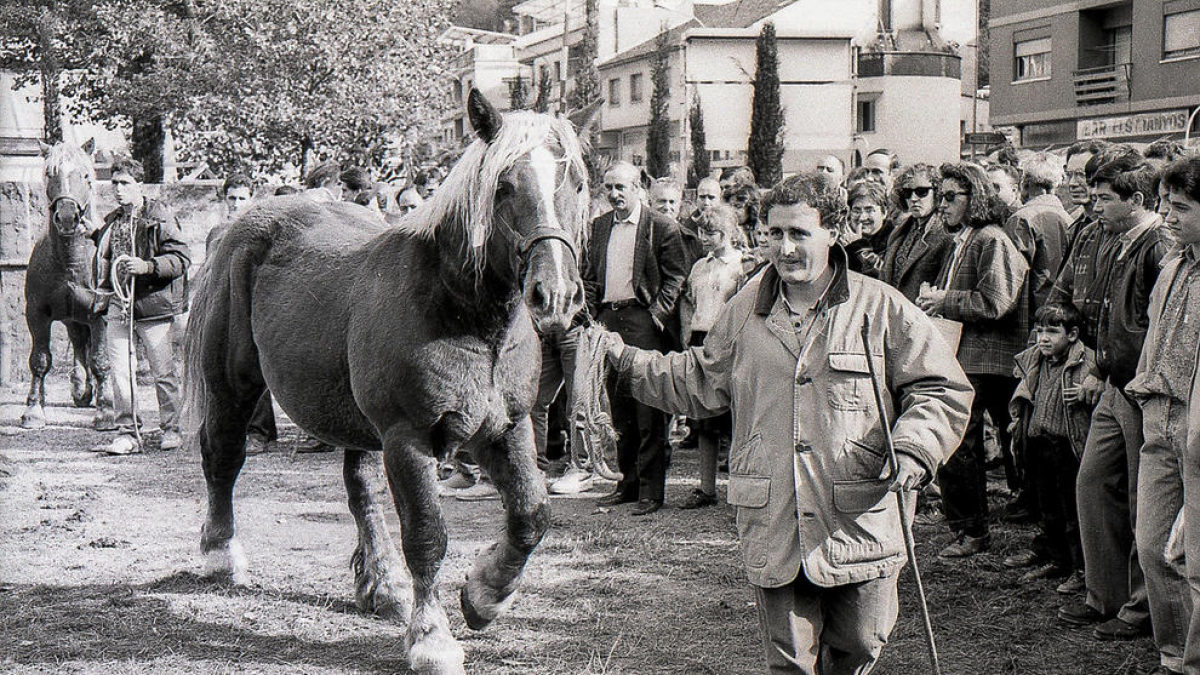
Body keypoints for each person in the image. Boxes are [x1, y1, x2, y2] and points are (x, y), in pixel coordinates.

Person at [601, 172, 972, 673]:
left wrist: (914, 448)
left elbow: (941, 388)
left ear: (834, 230)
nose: (784, 247)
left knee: (862, 644)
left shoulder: (879, 307)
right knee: (790, 661)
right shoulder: (746, 309)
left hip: (859, 513)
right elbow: (698, 379)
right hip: (773, 511)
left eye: (799, 233)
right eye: (774, 234)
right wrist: (620, 359)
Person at [1054, 151, 1170, 644]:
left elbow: (1157, 325)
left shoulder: (1156, 245)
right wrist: (1100, 365)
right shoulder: (1120, 240)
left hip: (1138, 391)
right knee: (1093, 482)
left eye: (1105, 199)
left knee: (1147, 502)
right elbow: (1105, 314)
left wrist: (1131, 375)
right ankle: (1105, 595)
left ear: (1136, 200)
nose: (1095, 206)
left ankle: (1141, 607)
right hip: (1112, 384)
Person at [917, 161, 1029, 558]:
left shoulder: (991, 239)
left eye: (950, 197)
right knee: (959, 442)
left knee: (961, 442)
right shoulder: (964, 239)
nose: (941, 205)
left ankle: (973, 532)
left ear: (975, 197)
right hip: (965, 353)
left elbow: (996, 302)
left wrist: (943, 300)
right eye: (941, 196)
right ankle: (965, 527)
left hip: (985, 358)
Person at [1124, 157, 1200, 675]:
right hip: (1160, 419)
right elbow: (1153, 334)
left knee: (1198, 563)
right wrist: (1146, 387)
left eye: (1180, 207)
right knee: (1153, 549)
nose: (1166, 217)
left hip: (1198, 432)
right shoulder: (1174, 263)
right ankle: (1174, 656)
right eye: (1164, 205)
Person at [583, 161, 687, 516]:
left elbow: (676, 277)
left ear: (638, 188)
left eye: (621, 187)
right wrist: (593, 315)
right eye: (608, 187)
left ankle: (650, 491)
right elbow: (589, 275)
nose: (614, 194)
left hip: (644, 321)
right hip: (608, 320)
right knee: (619, 409)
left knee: (648, 409)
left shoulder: (661, 227)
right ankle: (626, 485)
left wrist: (657, 315)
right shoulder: (598, 228)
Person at [91, 157, 191, 455]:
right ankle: (127, 431)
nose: (119, 190)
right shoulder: (112, 221)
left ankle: (171, 428)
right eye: (115, 184)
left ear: (140, 185)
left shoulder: (159, 215)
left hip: (152, 307)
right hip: (118, 306)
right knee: (121, 371)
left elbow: (181, 258)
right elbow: (109, 253)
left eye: (125, 184)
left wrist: (148, 266)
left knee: (162, 371)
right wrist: (95, 236)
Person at [1006, 302, 1094, 585]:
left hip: (1068, 448)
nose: (1043, 338)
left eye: (1052, 332)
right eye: (1039, 330)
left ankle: (1081, 569)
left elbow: (1100, 403)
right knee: (1048, 508)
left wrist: (1086, 393)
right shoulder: (1035, 360)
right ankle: (1058, 560)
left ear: (1072, 335)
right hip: (1039, 444)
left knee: (1073, 512)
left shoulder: (1087, 364)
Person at [676, 203, 746, 509]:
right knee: (704, 416)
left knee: (734, 418)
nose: (706, 237)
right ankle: (706, 488)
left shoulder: (740, 265)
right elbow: (690, 303)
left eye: (713, 232)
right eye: (703, 231)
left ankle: (741, 489)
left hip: (730, 342)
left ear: (729, 232)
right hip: (701, 339)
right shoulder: (699, 266)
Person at [1006, 153, 1071, 317]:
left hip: (1028, 315)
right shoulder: (1069, 219)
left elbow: (1010, 279)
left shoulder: (1021, 219)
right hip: (1059, 313)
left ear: (1026, 183)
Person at [879, 164, 953, 303]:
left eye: (922, 192)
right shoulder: (900, 230)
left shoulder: (946, 235)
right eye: (907, 193)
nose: (913, 198)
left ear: (937, 193)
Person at [842, 180, 892, 278]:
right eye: (856, 211)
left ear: (884, 212)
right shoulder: (844, 237)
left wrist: (859, 248)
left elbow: (884, 276)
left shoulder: (895, 239)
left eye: (869, 210)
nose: (862, 217)